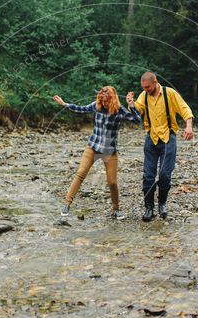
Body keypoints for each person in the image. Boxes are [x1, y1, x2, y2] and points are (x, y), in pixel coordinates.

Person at [53, 86, 142, 219]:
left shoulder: (118, 110)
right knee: (81, 173)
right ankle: (67, 204)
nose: (104, 103)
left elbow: (137, 120)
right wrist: (65, 104)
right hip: (93, 147)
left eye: (106, 101)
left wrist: (131, 105)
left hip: (110, 151)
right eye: (102, 100)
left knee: (112, 182)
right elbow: (81, 108)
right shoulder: (97, 105)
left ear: (112, 99)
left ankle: (116, 209)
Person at [130, 71, 194, 221]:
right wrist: (131, 104)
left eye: (148, 87)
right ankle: (149, 208)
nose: (146, 90)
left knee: (165, 174)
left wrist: (189, 126)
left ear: (155, 82)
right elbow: (137, 112)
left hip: (168, 139)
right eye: (143, 87)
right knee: (148, 176)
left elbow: (184, 108)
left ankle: (162, 204)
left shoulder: (169, 93)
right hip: (151, 138)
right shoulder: (143, 95)